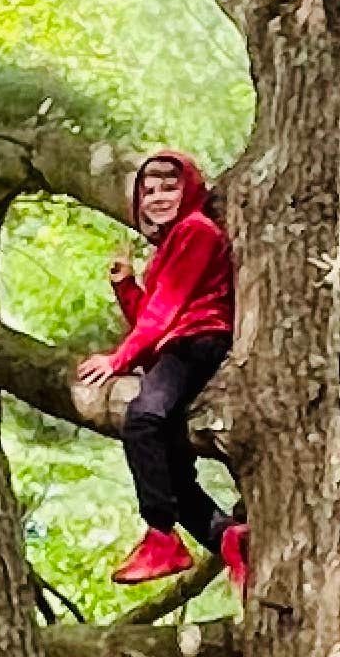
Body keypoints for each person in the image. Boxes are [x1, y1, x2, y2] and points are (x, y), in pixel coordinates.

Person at [75, 151, 247, 591]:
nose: (157, 197)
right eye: (148, 191)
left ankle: (160, 536)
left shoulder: (196, 230)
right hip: (178, 344)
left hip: (197, 341)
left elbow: (164, 314)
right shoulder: (171, 247)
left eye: (169, 187)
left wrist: (117, 360)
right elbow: (152, 317)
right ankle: (225, 537)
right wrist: (126, 287)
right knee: (171, 469)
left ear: (189, 189)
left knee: (143, 419)